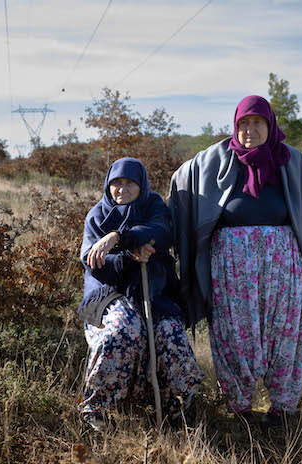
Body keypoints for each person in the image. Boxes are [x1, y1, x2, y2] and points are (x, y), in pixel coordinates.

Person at [169, 95, 302, 428]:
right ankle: (240, 404)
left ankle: (281, 406)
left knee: (286, 331)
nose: (249, 130)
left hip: (283, 266)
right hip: (231, 267)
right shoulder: (219, 161)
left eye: (257, 123)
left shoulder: (291, 163)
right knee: (233, 331)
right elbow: (183, 178)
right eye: (243, 123)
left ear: (270, 125)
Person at [77, 157, 204, 431]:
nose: (121, 189)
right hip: (110, 293)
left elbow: (162, 229)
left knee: (171, 333)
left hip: (155, 290)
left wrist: (120, 238)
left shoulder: (153, 204)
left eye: (129, 183)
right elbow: (91, 259)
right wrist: (128, 257)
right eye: (116, 183)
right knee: (123, 330)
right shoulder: (97, 215)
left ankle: (178, 408)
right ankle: (97, 409)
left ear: (142, 185)